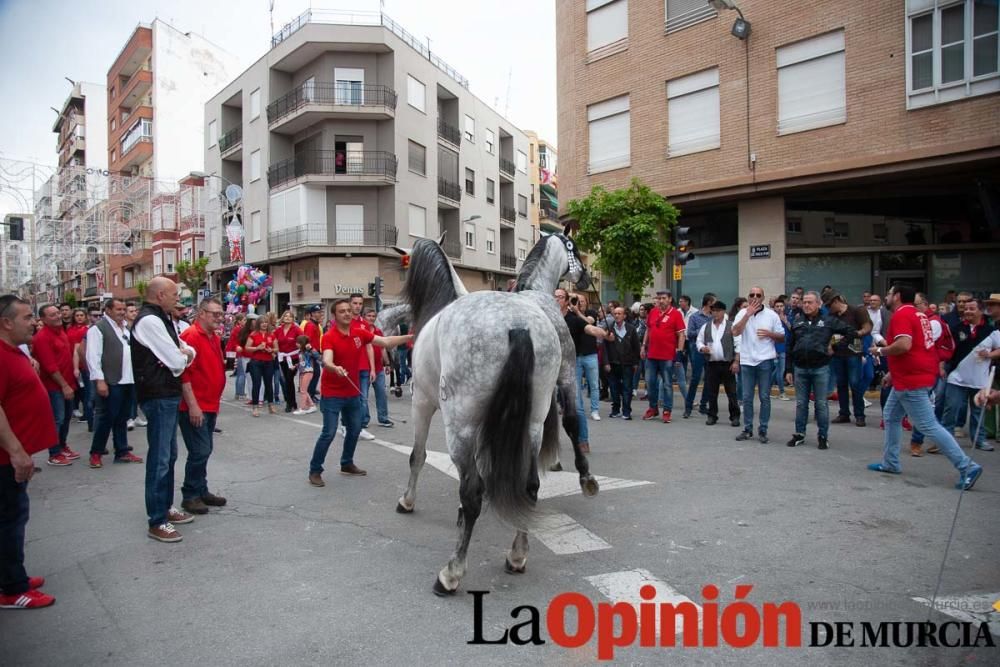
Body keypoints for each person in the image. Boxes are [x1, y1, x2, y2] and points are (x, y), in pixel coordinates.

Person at [867, 284, 983, 490]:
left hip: (912, 380)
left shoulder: (902, 315)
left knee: (928, 425)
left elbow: (904, 345)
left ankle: (967, 466)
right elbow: (919, 349)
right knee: (891, 416)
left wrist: (880, 351)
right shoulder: (920, 315)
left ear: (898, 297)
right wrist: (893, 373)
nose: (887, 296)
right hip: (910, 376)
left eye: (890, 293)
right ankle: (890, 462)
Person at [308, 299, 412, 486]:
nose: (347, 313)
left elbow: (386, 342)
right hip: (332, 394)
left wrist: (410, 337)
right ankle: (315, 470)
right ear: (335, 316)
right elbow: (328, 360)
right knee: (329, 433)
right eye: (342, 311)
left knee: (355, 429)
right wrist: (334, 368)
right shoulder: (329, 336)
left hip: (353, 393)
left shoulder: (359, 333)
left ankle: (346, 464)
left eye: (349, 310)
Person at [0, 295, 59, 609]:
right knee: (10, 520)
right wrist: (16, 451)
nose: (33, 322)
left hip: (15, 454)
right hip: (7, 458)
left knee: (13, 517)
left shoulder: (14, 351)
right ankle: (12, 589)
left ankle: (13, 576)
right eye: (27, 317)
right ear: (7, 323)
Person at [131, 276, 198, 542]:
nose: (177, 300)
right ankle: (156, 519)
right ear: (159, 296)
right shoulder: (149, 320)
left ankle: (166, 508)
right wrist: (181, 356)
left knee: (168, 456)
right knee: (160, 458)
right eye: (173, 295)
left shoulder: (162, 318)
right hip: (157, 395)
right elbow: (176, 359)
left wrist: (182, 355)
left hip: (167, 393)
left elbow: (184, 352)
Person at [784, 292, 858, 450]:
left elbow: (851, 332)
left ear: (818, 304)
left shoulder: (828, 321)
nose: (806, 305)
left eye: (810, 302)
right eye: (804, 302)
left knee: (821, 404)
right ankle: (799, 434)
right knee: (801, 404)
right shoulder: (797, 321)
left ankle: (823, 436)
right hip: (800, 368)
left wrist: (835, 346)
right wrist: (788, 369)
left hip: (820, 368)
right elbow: (789, 346)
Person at [177, 299, 229, 516]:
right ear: (201, 313)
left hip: (210, 404)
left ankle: (201, 489)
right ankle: (190, 495)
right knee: (200, 450)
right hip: (195, 406)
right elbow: (183, 375)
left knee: (204, 451)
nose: (219, 317)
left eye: (221, 313)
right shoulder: (190, 336)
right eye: (214, 314)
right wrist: (193, 406)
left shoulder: (214, 337)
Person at [86, 298, 143, 468]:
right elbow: (93, 357)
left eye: (123, 309)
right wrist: (100, 381)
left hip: (128, 380)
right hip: (111, 380)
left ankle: (122, 451)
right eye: (118, 309)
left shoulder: (125, 328)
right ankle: (96, 452)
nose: (122, 312)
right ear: (108, 310)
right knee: (107, 418)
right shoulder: (98, 329)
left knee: (122, 418)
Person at [938, 298, 997, 452]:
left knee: (978, 411)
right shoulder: (956, 328)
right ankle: (946, 440)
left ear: (980, 311)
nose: (968, 311)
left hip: (980, 379)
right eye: (966, 308)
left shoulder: (991, 331)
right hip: (956, 377)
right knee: (951, 409)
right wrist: (942, 365)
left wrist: (990, 354)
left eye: (972, 308)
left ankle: (979, 439)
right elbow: (945, 348)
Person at [555, 289, 608, 454]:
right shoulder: (548, 318)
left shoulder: (573, 320)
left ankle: (582, 440)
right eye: (554, 296)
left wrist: (603, 333)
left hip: (572, 364)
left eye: (560, 297)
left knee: (576, 405)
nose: (556, 299)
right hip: (551, 366)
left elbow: (590, 329)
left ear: (566, 301)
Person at [731, 287, 784, 443]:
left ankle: (763, 429)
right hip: (747, 361)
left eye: (758, 295)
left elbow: (781, 337)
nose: (754, 297)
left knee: (764, 397)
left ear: (763, 297)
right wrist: (747, 315)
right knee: (747, 397)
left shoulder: (771, 315)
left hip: (765, 360)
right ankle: (747, 429)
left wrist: (769, 334)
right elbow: (734, 332)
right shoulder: (742, 313)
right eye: (751, 295)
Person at [31, 304, 79, 466]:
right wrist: (64, 385)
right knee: (57, 419)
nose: (58, 316)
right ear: (43, 319)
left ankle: (62, 446)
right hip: (54, 387)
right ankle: (54, 453)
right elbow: (50, 366)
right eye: (52, 315)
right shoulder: (42, 337)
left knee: (66, 418)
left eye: (58, 313)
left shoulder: (61, 332)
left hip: (68, 383)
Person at [825, 290, 873, 427]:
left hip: (853, 350)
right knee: (841, 384)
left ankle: (859, 415)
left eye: (829, 305)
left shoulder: (856, 311)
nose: (829, 308)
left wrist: (857, 333)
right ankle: (844, 413)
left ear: (836, 301)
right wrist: (830, 346)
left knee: (855, 383)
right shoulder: (832, 315)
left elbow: (868, 326)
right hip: (837, 351)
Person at [641, 290, 686, 423]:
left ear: (670, 299)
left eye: (663, 298)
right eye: (659, 298)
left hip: (667, 355)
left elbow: (681, 335)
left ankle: (667, 410)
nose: (661, 301)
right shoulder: (653, 312)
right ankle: (653, 408)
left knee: (667, 384)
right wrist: (644, 345)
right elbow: (648, 330)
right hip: (652, 355)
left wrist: (679, 353)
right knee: (650, 382)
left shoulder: (676, 314)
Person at [697, 301, 741, 427]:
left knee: (731, 392)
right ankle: (712, 415)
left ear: (723, 312)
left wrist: (736, 361)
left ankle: (735, 416)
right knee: (712, 392)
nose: (715, 313)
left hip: (727, 363)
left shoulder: (731, 326)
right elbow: (699, 341)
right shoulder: (706, 326)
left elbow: (738, 344)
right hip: (712, 363)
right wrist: (702, 348)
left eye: (717, 311)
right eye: (713, 311)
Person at [603, 306, 641, 419]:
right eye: (615, 313)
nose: (617, 315)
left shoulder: (631, 329)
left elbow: (636, 347)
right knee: (614, 388)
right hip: (613, 363)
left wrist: (635, 363)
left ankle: (626, 411)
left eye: (620, 313)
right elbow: (604, 347)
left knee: (627, 388)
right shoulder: (608, 329)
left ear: (624, 315)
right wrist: (606, 363)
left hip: (627, 363)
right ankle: (615, 409)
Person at [684, 293, 715, 417]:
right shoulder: (695, 317)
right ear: (708, 303)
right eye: (714, 302)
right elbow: (690, 333)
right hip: (697, 349)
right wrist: (703, 329)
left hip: (711, 349)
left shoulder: (714, 317)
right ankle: (688, 407)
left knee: (709, 378)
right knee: (695, 378)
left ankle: (703, 405)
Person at [363, 308, 393, 427]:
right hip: (365, 369)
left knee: (381, 393)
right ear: (364, 317)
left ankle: (383, 418)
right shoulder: (361, 330)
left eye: (373, 316)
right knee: (363, 396)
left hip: (379, 368)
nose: (371, 318)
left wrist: (387, 363)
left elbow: (383, 348)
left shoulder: (378, 331)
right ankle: (364, 420)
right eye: (368, 316)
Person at [244, 317, 277, 417]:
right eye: (262, 322)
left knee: (269, 384)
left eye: (266, 322)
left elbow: (277, 348)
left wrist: (271, 350)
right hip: (256, 362)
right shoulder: (253, 334)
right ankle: (255, 407)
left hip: (268, 362)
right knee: (256, 384)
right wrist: (257, 348)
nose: (264, 324)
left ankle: (271, 405)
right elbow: (247, 348)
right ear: (258, 324)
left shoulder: (271, 334)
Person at [66, 308, 91, 426]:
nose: (80, 317)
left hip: (82, 364)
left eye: (82, 315)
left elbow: (78, 350)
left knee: (86, 391)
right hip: (70, 363)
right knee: (78, 390)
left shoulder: (87, 330)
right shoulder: (69, 329)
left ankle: (87, 414)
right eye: (77, 315)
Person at [275, 310, 302, 413]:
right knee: (287, 380)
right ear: (283, 318)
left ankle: (289, 403)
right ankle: (292, 402)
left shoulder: (296, 329)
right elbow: (273, 340)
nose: (287, 318)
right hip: (282, 358)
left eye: (290, 316)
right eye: (285, 316)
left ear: (292, 319)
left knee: (290, 379)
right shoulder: (278, 330)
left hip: (293, 357)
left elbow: (303, 340)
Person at [302, 305, 325, 402]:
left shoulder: (315, 324)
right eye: (318, 312)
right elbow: (307, 340)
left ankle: (311, 394)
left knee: (316, 374)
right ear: (313, 314)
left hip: (315, 351)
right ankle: (309, 395)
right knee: (313, 374)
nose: (320, 314)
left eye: (320, 312)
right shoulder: (310, 325)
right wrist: (313, 352)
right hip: (311, 353)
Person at [772, 297, 792, 401]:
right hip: (777, 348)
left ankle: (767, 388)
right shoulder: (772, 318)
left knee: (776, 371)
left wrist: (785, 321)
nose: (779, 308)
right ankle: (782, 392)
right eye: (777, 306)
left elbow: (792, 330)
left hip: (786, 347)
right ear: (774, 308)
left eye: (781, 306)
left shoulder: (788, 317)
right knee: (780, 371)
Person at [293, 335, 318, 415]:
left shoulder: (309, 351)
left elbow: (318, 356)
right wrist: (295, 366)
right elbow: (301, 362)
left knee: (303, 390)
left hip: (308, 371)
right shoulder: (300, 352)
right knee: (303, 390)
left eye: (298, 343)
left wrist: (310, 349)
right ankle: (312, 405)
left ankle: (302, 408)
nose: (296, 344)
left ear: (302, 343)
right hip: (301, 372)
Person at [225, 313, 247, 401]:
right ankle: (240, 393)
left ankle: (238, 393)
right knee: (242, 374)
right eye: (244, 320)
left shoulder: (236, 329)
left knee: (239, 374)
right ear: (239, 321)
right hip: (238, 352)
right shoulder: (239, 329)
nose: (245, 322)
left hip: (235, 352)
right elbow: (238, 341)